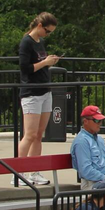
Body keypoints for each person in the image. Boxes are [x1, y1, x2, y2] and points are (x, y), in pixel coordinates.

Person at [17, 12, 60, 187]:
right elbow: (25, 68)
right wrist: (45, 63)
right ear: (40, 26)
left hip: (44, 90)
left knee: (39, 135)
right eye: (47, 31)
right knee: (30, 134)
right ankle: (18, 172)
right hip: (31, 92)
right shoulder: (26, 42)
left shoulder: (40, 42)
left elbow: (41, 63)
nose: (47, 35)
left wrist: (49, 62)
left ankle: (34, 171)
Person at [71, 105, 105, 190]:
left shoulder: (100, 139)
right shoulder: (82, 141)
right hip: (92, 183)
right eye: (96, 120)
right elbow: (86, 171)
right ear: (85, 121)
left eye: (101, 120)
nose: (100, 123)